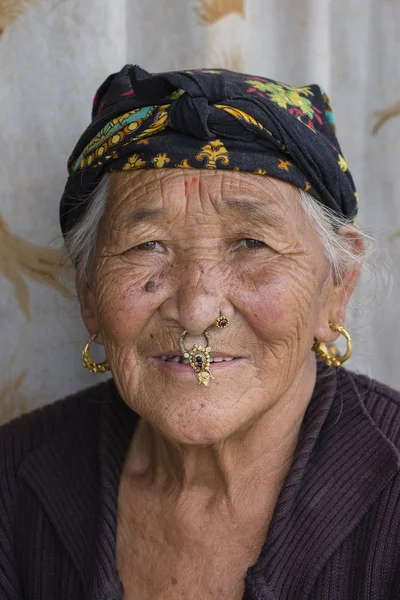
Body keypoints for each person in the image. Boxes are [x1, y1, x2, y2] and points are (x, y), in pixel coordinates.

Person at [1, 65, 399, 600]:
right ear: (90, 294)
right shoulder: (13, 479)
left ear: (336, 289)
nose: (195, 309)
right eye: (146, 245)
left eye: (252, 244)